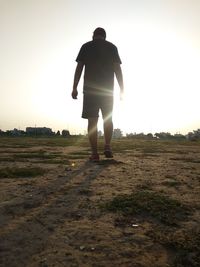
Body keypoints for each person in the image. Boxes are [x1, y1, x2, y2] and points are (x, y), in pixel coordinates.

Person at [72, 27, 124, 162]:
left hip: (90, 91)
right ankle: (107, 146)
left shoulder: (86, 46)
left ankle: (94, 154)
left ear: (93, 35)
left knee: (92, 120)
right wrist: (122, 89)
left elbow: (79, 68)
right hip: (107, 91)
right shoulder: (112, 47)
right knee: (108, 119)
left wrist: (74, 87)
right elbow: (117, 69)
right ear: (104, 36)